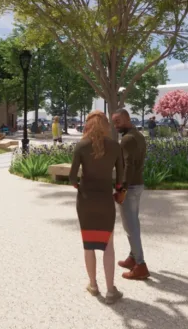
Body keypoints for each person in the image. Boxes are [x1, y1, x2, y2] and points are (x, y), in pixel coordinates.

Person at [69, 110, 125, 304]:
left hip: (85, 200)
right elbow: (121, 177)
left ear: (88, 124)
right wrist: (119, 190)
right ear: (106, 125)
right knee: (108, 244)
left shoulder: (81, 146)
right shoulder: (115, 146)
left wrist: (79, 186)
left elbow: (72, 177)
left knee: (88, 244)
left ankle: (93, 285)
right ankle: (111, 290)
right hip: (105, 200)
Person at [111, 109, 150, 280]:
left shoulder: (127, 139)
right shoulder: (139, 136)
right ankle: (133, 257)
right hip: (138, 184)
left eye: (118, 121)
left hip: (131, 186)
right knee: (134, 222)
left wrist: (122, 189)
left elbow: (128, 166)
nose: (115, 125)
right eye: (114, 122)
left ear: (127, 119)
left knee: (130, 227)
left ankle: (140, 265)